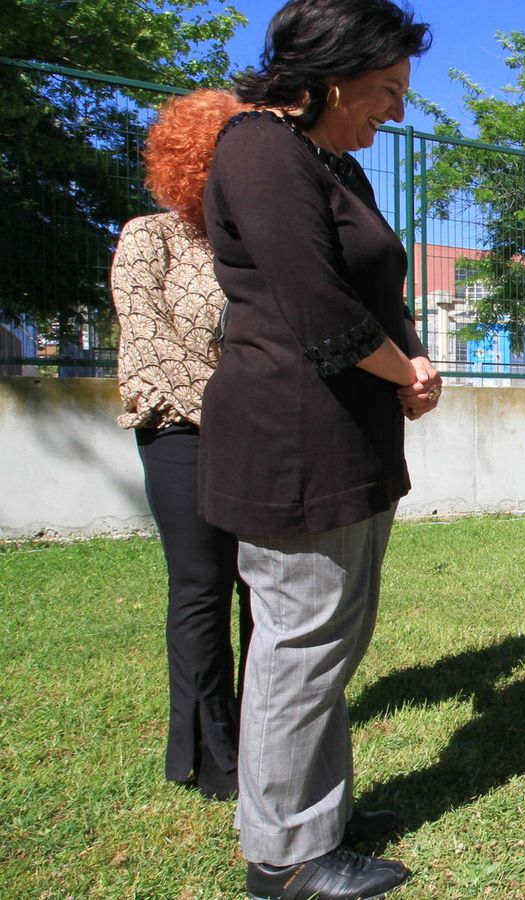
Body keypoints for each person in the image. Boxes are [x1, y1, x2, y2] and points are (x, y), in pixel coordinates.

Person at [199, 2, 438, 896]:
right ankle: (285, 856)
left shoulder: (334, 164)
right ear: (334, 78)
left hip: (349, 437)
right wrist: (402, 371)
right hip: (292, 442)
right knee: (300, 643)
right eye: (387, 90)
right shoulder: (259, 150)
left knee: (331, 641)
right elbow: (320, 308)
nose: (397, 111)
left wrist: (414, 359)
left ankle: (316, 813)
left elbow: (376, 290)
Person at [111, 88, 251, 802]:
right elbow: (150, 345)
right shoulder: (150, 238)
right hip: (179, 431)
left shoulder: (253, 245)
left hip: (257, 438)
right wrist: (238, 412)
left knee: (263, 590)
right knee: (201, 587)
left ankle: (266, 736)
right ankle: (211, 752)